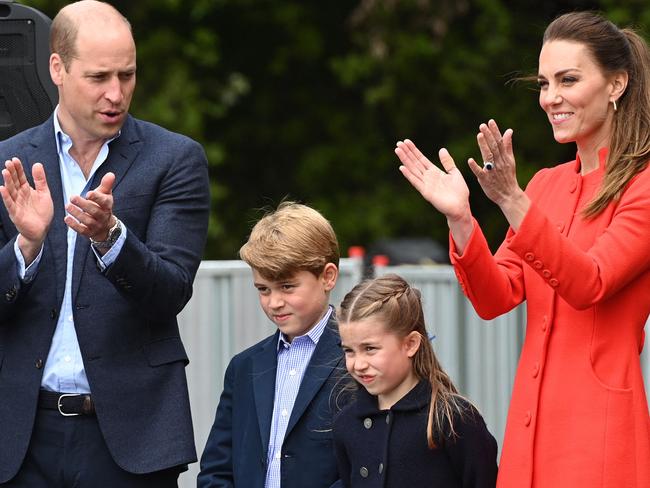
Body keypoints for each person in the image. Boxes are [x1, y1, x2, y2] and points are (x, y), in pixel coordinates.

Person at [395, 11, 650, 488]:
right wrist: (461, 218)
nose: (550, 97)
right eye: (544, 83)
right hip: (529, 430)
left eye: (568, 80)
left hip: (600, 436)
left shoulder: (643, 186)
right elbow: (496, 297)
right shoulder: (547, 184)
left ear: (617, 84)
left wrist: (513, 201)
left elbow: (589, 282)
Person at [0, 1, 210, 486]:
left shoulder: (175, 159)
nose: (116, 94)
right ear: (57, 67)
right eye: (99, 77)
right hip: (20, 436)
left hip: (128, 440)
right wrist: (26, 248)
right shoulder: (9, 163)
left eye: (127, 75)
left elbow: (171, 292)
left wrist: (111, 239)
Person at [198, 202, 345, 488]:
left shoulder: (358, 361)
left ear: (328, 276)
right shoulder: (244, 367)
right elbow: (216, 469)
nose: (274, 302)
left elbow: (367, 467)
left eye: (287, 286)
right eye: (263, 289)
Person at [333, 274, 498, 487]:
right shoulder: (346, 424)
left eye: (370, 349)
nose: (358, 364)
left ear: (410, 344)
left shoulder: (453, 419)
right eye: (349, 351)